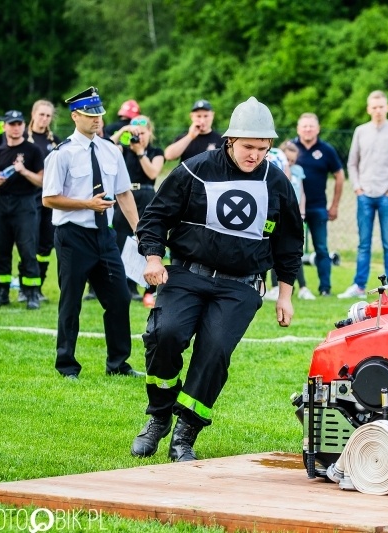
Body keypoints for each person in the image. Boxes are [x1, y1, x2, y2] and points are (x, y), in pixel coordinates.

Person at [131, 97, 304, 462]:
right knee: (166, 335)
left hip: (240, 286)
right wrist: (152, 257)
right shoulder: (194, 170)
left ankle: (185, 434)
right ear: (230, 140)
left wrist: (285, 294)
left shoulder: (276, 181)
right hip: (186, 275)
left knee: (214, 354)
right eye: (247, 147)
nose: (254, 155)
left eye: (262, 148)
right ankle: (158, 416)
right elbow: (156, 216)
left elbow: (289, 242)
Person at [42, 86, 144, 380]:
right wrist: (86, 204)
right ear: (75, 116)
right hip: (73, 236)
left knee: (120, 298)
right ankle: (67, 366)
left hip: (105, 236)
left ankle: (118, 363)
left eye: (99, 113)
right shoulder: (61, 154)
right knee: (71, 301)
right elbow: (49, 198)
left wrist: (140, 231)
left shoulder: (111, 150)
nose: (97, 119)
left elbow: (124, 194)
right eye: (90, 115)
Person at [338, 91, 388, 301]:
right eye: (374, 107)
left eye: (381, 106)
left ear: (387, 107)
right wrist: (357, 187)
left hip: (387, 196)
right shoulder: (360, 132)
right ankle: (359, 285)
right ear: (368, 109)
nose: (378, 110)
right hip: (365, 195)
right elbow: (352, 163)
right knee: (363, 244)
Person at [0, 110, 45, 309]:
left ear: (23, 125)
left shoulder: (33, 150)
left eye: (19, 123)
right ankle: (2, 293)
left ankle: (32, 293)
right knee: (1, 249)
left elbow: (41, 180)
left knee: (28, 249)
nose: (16, 127)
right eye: (12, 124)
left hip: (25, 203)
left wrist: (24, 171)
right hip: (2, 203)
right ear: (6, 127)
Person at [110, 115, 165, 307]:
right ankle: (125, 285)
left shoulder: (155, 151)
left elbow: (152, 173)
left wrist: (141, 152)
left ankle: (147, 288)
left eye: (142, 133)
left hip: (147, 196)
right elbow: (107, 147)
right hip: (126, 196)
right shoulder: (123, 150)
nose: (138, 137)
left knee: (145, 240)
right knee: (121, 240)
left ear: (150, 133)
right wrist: (122, 132)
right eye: (135, 133)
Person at [293, 113, 345, 296]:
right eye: (304, 126)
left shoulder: (326, 150)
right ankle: (291, 287)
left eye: (311, 126)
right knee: (291, 248)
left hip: (318, 207)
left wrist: (335, 205)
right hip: (293, 208)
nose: (308, 129)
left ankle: (325, 288)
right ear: (298, 128)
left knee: (321, 249)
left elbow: (339, 176)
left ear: (318, 128)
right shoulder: (291, 148)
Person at [264, 140, 315, 301]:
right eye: (288, 160)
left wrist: (302, 212)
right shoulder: (272, 171)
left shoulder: (297, 171)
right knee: (271, 250)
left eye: (293, 161)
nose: (290, 164)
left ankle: (303, 287)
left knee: (294, 253)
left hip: (294, 216)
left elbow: (302, 193)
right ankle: (271, 287)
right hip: (276, 216)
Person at [24, 100, 64, 302]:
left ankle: (38, 284)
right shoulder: (23, 138)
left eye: (48, 116)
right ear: (33, 114)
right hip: (28, 197)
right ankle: (25, 286)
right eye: (41, 114)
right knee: (29, 242)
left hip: (50, 198)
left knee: (46, 244)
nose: (44, 119)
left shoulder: (54, 141)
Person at [164, 99, 224, 164]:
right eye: (198, 116)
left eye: (206, 116)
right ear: (192, 116)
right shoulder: (184, 138)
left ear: (212, 115)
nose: (202, 121)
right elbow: (168, 156)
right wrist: (190, 136)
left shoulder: (222, 140)